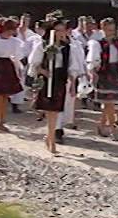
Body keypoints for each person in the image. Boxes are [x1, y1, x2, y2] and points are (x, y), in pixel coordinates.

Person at [29, 18, 85, 154]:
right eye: (57, 30)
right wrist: (43, 71)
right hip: (47, 80)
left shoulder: (68, 48)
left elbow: (72, 67)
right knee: (50, 110)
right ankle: (51, 138)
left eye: (62, 30)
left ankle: (50, 138)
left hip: (60, 79)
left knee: (56, 110)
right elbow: (34, 62)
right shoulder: (43, 45)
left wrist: (72, 85)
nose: (60, 33)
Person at [88, 18, 118, 139]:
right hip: (104, 73)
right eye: (107, 30)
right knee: (109, 103)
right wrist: (93, 72)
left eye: (112, 30)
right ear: (103, 29)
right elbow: (93, 60)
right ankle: (112, 129)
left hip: (115, 72)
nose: (110, 32)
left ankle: (102, 125)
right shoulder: (98, 44)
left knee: (110, 103)